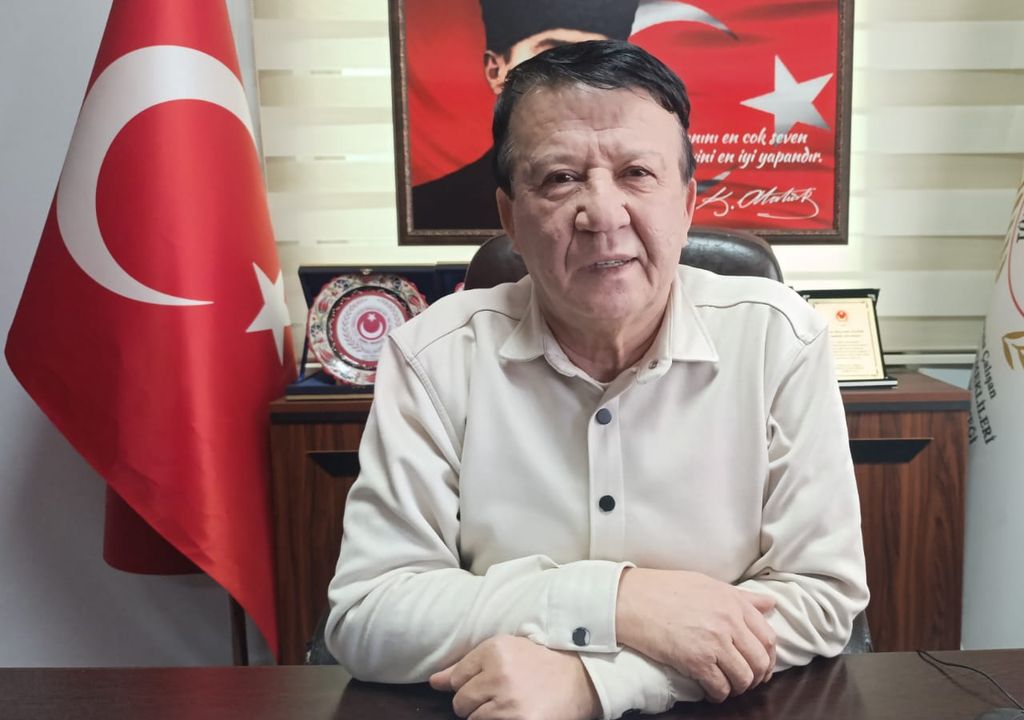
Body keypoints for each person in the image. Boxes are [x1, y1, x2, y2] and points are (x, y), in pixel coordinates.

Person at [328, 40, 868, 720]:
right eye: (560, 179)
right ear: (509, 218)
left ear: (687, 203)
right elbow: (370, 612)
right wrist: (617, 601)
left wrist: (597, 683)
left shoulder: (778, 339)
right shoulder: (432, 357)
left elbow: (821, 595)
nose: (603, 215)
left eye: (637, 173)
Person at [411, 0, 639, 230]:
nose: (581, 82)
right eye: (553, 57)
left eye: (598, 64)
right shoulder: (431, 206)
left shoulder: (645, 195)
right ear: (496, 71)